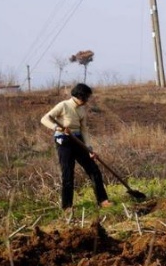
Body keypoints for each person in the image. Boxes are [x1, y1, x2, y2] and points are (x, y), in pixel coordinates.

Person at [41, 83, 113, 211]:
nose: (87, 100)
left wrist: (89, 148)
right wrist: (57, 128)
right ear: (80, 96)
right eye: (86, 97)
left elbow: (84, 129)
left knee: (93, 170)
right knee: (68, 173)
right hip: (64, 141)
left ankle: (103, 200)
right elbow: (45, 119)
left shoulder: (82, 109)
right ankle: (67, 206)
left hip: (78, 140)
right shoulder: (63, 105)